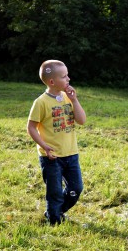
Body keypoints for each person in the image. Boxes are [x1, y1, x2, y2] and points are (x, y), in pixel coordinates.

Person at [27, 60, 87, 225]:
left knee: (76, 188)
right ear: (52, 82)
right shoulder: (41, 102)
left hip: (71, 153)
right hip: (51, 156)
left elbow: (81, 120)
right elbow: (31, 127)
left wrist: (75, 101)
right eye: (64, 76)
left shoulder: (69, 97)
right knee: (54, 192)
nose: (68, 79)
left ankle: (57, 211)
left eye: (67, 75)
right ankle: (54, 222)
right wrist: (44, 146)